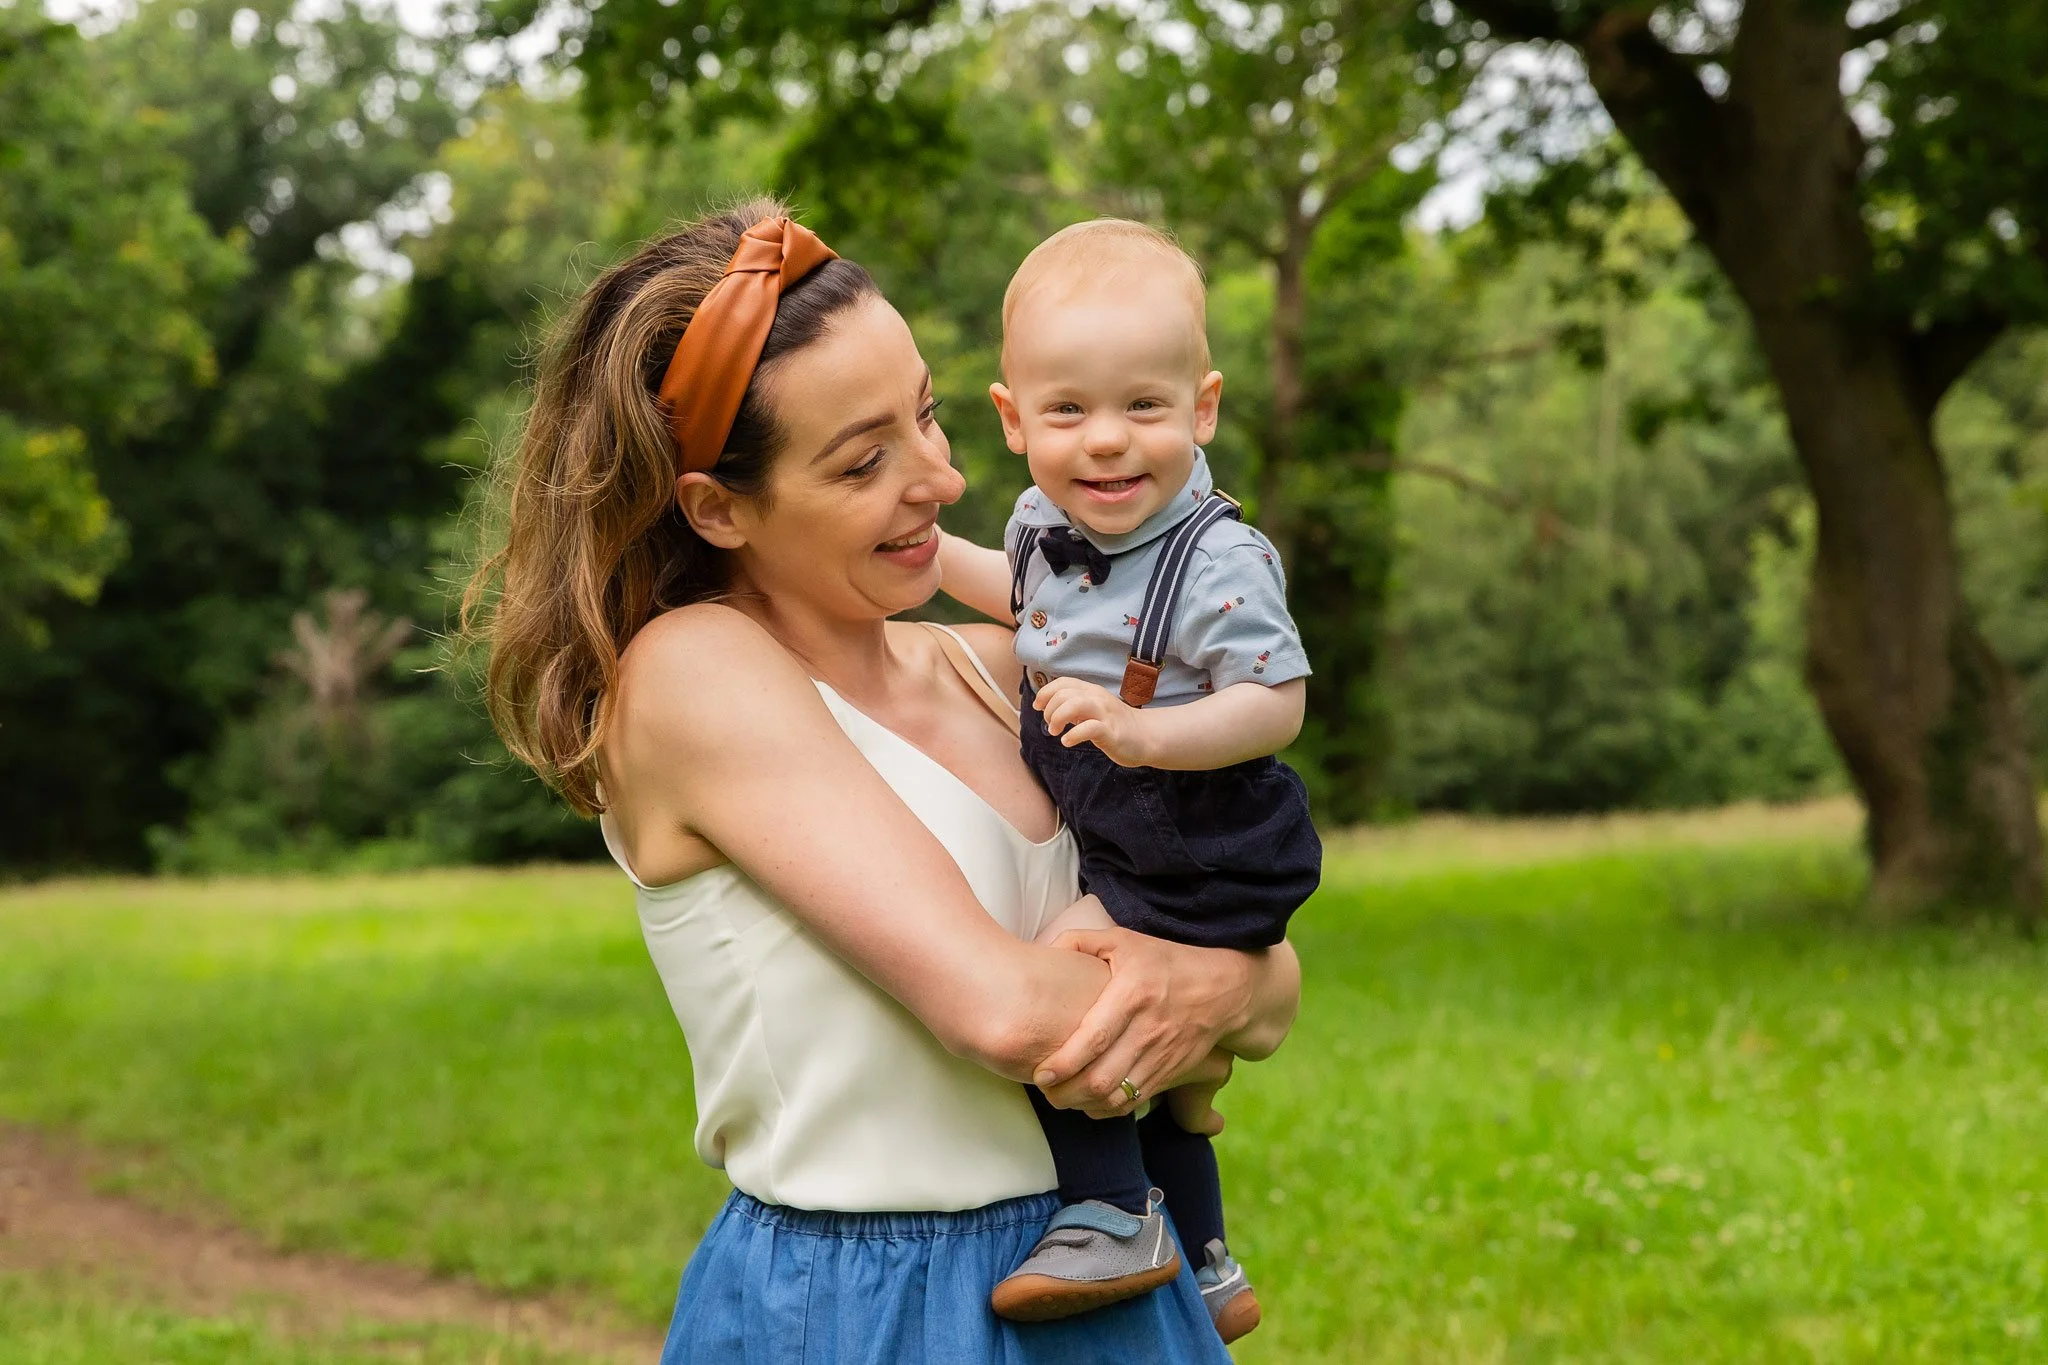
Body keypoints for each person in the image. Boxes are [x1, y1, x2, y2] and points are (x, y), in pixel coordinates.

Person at [466, 198, 1303, 1363]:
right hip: (874, 1304)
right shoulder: (692, 675)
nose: (943, 481)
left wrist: (1234, 988)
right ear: (717, 508)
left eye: (927, 417)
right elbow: (1004, 1011)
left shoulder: (993, 663)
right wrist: (1217, 994)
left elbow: (1264, 970)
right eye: (865, 460)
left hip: (1116, 1281)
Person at [938, 220, 1321, 1343]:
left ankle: (1110, 1212)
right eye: (1067, 412)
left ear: (1201, 409)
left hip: (1204, 829)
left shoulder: (1216, 557)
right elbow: (1021, 598)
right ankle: (1205, 1258)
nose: (1106, 444)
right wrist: (911, 563)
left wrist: (1147, 735)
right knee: (1165, 1067)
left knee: (1065, 981)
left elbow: (1275, 702)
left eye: (1142, 409)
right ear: (1013, 420)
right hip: (1128, 828)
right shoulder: (1039, 525)